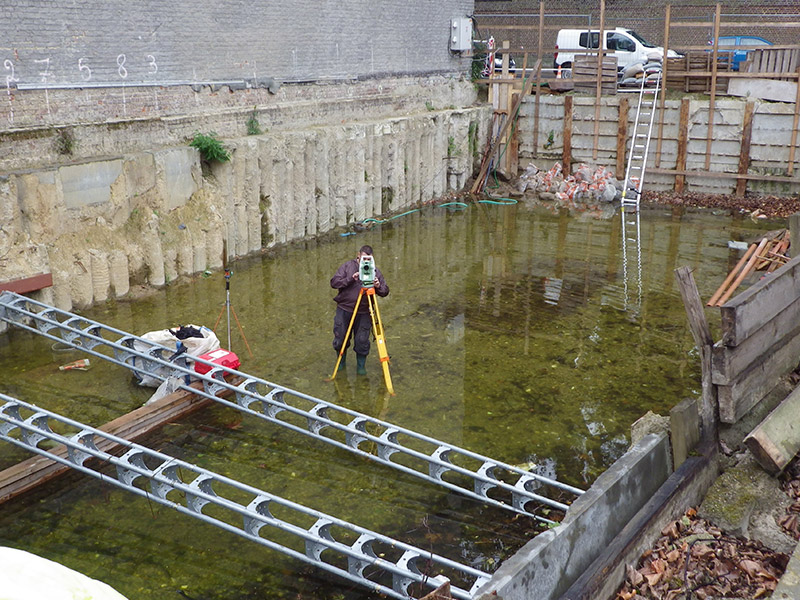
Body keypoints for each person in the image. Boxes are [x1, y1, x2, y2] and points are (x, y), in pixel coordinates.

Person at [330, 245, 389, 375]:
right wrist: (351, 279)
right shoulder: (347, 267)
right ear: (358, 256)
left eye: (369, 259)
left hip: (364, 312)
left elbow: (385, 292)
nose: (366, 262)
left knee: (362, 340)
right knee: (340, 337)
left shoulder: (375, 271)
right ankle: (341, 363)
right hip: (345, 309)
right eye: (364, 258)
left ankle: (361, 367)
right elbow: (334, 283)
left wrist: (378, 286)